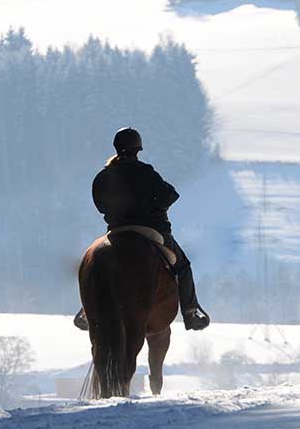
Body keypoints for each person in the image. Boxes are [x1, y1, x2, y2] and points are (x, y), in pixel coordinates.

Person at [74, 127, 210, 332]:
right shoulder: (146, 172)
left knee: (96, 264)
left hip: (117, 231)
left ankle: (87, 310)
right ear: (138, 149)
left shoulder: (103, 176)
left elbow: (100, 205)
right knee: (182, 265)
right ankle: (191, 313)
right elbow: (169, 196)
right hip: (152, 231)